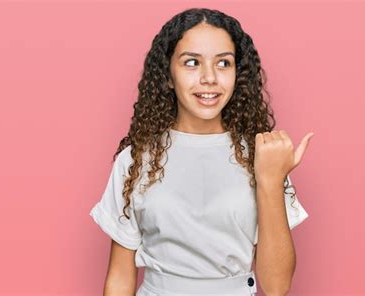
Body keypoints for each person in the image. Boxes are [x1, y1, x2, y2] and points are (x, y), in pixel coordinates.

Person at [89, 7, 314, 296]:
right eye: (192, 62)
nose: (209, 78)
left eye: (223, 64)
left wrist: (270, 179)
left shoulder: (260, 156)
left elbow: (276, 287)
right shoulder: (135, 160)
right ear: (168, 76)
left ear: (238, 75)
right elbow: (120, 276)